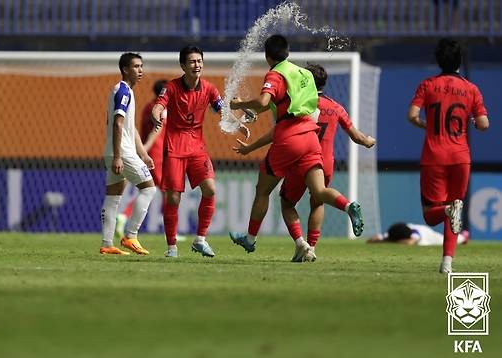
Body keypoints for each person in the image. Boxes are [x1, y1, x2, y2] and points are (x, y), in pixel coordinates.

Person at [229, 35, 364, 262]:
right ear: (288, 51)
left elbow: (264, 102)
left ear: (267, 55)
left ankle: (250, 239)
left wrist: (240, 104)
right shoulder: (304, 74)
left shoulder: (275, 73)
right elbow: (289, 106)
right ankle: (347, 206)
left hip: (288, 138)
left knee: (263, 190)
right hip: (311, 137)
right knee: (319, 192)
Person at [151, 46, 249, 258]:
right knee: (173, 199)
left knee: (210, 189)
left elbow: (222, 111)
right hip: (174, 148)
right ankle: (172, 248)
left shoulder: (209, 89)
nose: (197, 65)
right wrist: (156, 114)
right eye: (192, 62)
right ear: (183, 66)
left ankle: (200, 240)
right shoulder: (171, 88)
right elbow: (158, 106)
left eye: (199, 61)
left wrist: (238, 123)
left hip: (197, 148)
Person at [408, 38, 488, 273]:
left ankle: (446, 213)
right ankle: (447, 263)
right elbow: (484, 124)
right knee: (456, 207)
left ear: (438, 60)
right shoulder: (471, 89)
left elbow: (411, 115)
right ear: (459, 61)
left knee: (432, 216)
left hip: (433, 156)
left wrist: (427, 125)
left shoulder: (428, 85)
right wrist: (472, 119)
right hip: (461, 157)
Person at [99, 53, 157, 255]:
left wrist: (143, 154)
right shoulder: (123, 91)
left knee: (113, 197)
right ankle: (131, 235)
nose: (140, 70)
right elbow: (117, 123)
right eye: (136, 66)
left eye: (141, 66)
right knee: (149, 189)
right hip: (121, 152)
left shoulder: (124, 91)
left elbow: (129, 129)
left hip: (117, 150)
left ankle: (107, 244)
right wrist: (117, 156)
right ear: (125, 69)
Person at [115, 79, 168, 237]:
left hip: (144, 152)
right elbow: (158, 129)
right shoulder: (162, 109)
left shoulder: (147, 107)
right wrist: (147, 147)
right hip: (155, 153)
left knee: (147, 188)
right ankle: (169, 230)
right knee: (165, 190)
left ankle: (123, 216)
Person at [368, 222, 469, 246]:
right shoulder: (396, 232)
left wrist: (387, 241)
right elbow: (371, 240)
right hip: (418, 230)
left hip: (428, 235)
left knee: (446, 240)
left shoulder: (415, 234)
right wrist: (383, 240)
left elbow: (410, 242)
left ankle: (464, 236)